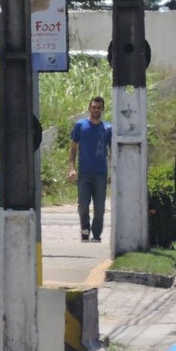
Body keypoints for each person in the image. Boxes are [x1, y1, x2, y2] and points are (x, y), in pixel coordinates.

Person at [68, 96, 112, 243]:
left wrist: (112, 172)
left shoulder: (107, 128)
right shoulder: (80, 126)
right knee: (83, 205)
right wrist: (72, 168)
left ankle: (97, 235)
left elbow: (112, 152)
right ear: (89, 108)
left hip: (101, 173)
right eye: (94, 107)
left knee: (99, 208)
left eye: (99, 107)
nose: (96, 110)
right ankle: (85, 230)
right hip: (84, 173)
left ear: (102, 109)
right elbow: (73, 148)